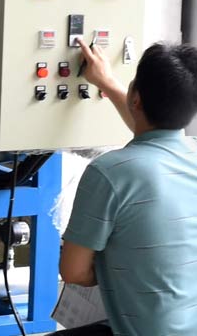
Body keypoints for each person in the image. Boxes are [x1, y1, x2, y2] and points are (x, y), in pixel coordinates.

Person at [51, 39, 197, 335]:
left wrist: (119, 267)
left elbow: (73, 272)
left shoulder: (109, 172)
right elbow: (155, 138)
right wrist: (107, 82)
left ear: (136, 97)